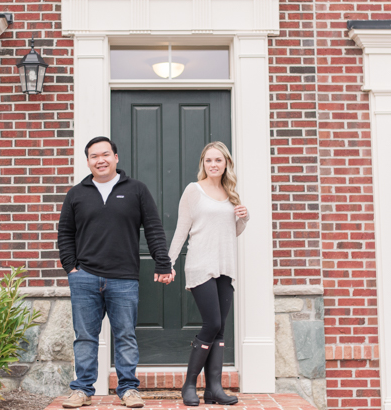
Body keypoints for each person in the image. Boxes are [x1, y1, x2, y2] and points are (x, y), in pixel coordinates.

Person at [58, 136, 174, 409]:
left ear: (116, 157)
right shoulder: (76, 193)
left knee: (125, 335)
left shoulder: (136, 190)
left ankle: (128, 389)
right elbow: (65, 233)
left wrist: (162, 262)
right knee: (85, 337)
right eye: (94, 156)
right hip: (84, 277)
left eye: (105, 154)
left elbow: (154, 228)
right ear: (88, 161)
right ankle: (83, 390)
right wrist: (71, 268)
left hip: (123, 278)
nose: (100, 160)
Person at [167, 141, 249, 406]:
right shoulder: (194, 191)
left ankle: (214, 389)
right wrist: (168, 261)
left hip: (225, 266)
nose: (214, 165)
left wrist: (243, 218)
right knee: (212, 324)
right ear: (203, 163)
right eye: (209, 160)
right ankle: (189, 385)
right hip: (201, 264)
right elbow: (182, 228)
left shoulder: (230, 192)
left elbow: (231, 232)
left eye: (219, 160)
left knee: (221, 329)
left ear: (226, 164)